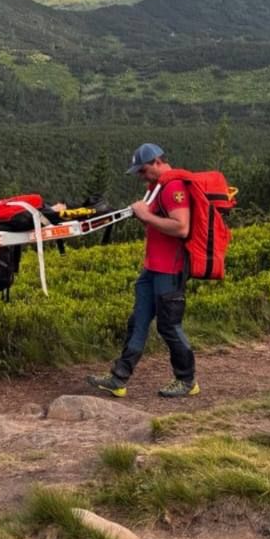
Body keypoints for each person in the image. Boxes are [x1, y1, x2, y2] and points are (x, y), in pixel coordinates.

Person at [87, 144, 200, 398]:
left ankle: (187, 380)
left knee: (168, 326)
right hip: (152, 270)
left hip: (170, 270)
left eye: (143, 170)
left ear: (158, 162)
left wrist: (146, 217)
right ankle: (119, 378)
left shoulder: (173, 188)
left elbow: (181, 227)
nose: (140, 175)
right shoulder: (157, 188)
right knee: (137, 322)